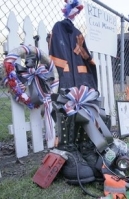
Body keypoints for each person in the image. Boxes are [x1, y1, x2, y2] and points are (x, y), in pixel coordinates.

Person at [48, 0, 102, 184]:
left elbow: (89, 62)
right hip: (66, 85)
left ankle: (84, 147)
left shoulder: (79, 36)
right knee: (66, 109)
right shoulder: (57, 31)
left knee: (87, 110)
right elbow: (54, 62)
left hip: (82, 85)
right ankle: (68, 148)